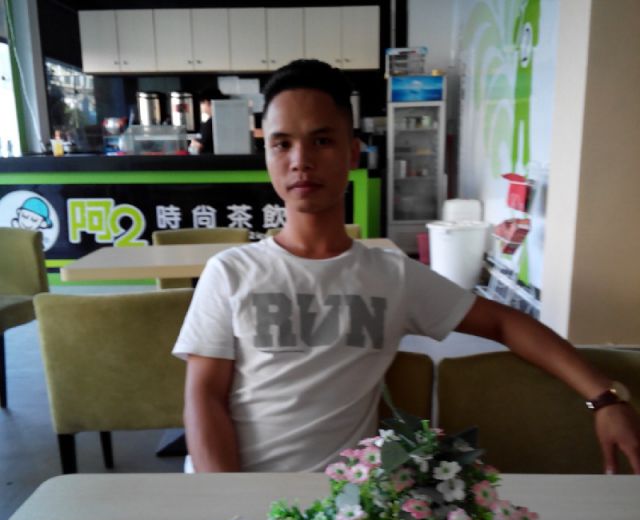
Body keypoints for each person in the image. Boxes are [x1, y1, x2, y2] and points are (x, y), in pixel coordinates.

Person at [173, 59, 640, 475]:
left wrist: (604, 399)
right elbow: (204, 397)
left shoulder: (391, 275)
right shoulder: (230, 271)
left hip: (341, 512)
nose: (301, 161)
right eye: (282, 144)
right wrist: (230, 504)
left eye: (322, 140)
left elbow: (504, 322)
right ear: (268, 156)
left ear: (352, 153)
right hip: (233, 492)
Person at [190, 89, 222, 154]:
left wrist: (193, 143)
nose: (201, 106)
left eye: (202, 103)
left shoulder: (209, 124)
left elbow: (195, 150)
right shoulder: (222, 120)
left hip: (209, 159)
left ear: (207, 102)